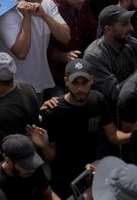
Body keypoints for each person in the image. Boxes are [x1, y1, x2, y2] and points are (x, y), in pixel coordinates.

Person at [38, 59, 129, 197]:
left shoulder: (98, 100)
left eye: (84, 82)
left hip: (91, 173)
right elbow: (50, 155)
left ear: (92, 80)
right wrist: (43, 145)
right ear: (66, 81)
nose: (80, 89)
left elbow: (113, 136)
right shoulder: (54, 110)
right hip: (63, 180)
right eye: (75, 83)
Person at [0, 0, 69, 96]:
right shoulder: (7, 14)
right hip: (14, 87)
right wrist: (26, 17)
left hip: (39, 82)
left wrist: (45, 16)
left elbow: (65, 37)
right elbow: (21, 53)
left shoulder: (47, 3)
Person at [83, 5, 137, 107]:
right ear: (108, 29)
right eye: (125, 24)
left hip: (133, 102)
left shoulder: (131, 43)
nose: (131, 28)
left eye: (130, 23)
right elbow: (115, 94)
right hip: (108, 112)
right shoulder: (94, 56)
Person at [0, 134, 57, 199]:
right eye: (25, 163)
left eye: (32, 160)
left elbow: (47, 193)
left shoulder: (34, 169)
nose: (32, 168)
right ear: (7, 160)